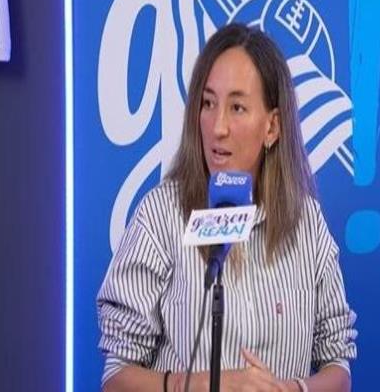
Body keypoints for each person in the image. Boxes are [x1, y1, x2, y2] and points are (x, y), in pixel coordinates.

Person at [97, 23, 357, 392]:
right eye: (208, 103)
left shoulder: (307, 222)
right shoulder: (161, 216)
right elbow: (116, 378)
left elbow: (338, 368)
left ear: (272, 127)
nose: (218, 127)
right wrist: (204, 384)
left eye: (237, 107)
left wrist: (292, 390)